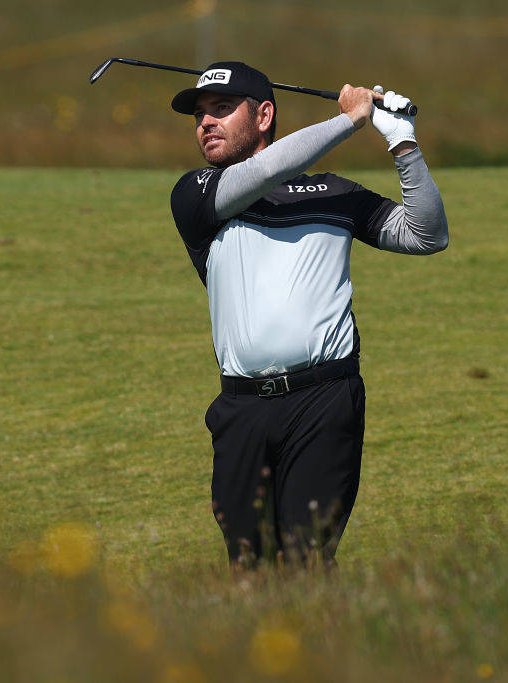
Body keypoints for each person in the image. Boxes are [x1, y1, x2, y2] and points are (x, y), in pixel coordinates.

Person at [168, 61, 449, 569]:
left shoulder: (334, 193)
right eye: (200, 115)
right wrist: (349, 121)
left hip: (324, 401)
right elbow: (267, 170)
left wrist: (403, 143)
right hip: (242, 410)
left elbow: (427, 235)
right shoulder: (198, 195)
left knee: (306, 564)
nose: (205, 123)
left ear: (264, 115)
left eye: (222, 109)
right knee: (248, 569)